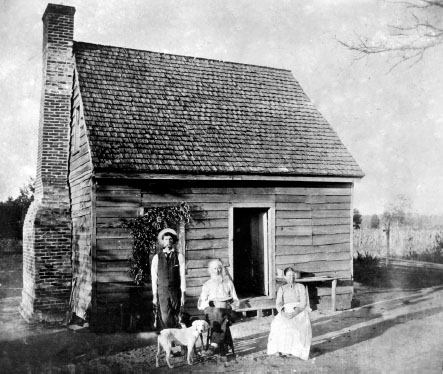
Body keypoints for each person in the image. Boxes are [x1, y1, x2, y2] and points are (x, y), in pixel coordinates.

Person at [267, 267, 312, 360]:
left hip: (299, 310)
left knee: (297, 324)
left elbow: (304, 302)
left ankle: (295, 351)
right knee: (277, 324)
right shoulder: (282, 288)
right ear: (285, 276)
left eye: (292, 275)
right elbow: (278, 303)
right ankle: (282, 349)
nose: (291, 278)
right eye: (288, 275)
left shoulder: (300, 286)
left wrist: (295, 312)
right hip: (286, 310)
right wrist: (283, 313)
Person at [198, 259, 239, 356]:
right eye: (214, 269)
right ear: (211, 271)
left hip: (226, 310)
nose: (217, 271)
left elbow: (236, 301)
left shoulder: (228, 283)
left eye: (219, 269)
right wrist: (210, 303)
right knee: (218, 313)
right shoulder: (207, 285)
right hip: (211, 312)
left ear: (222, 270)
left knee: (220, 313)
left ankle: (213, 346)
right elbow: (200, 303)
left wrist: (231, 305)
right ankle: (217, 345)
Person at [150, 228, 186, 328]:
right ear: (162, 241)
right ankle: (167, 339)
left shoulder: (179, 256)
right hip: (162, 291)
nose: (168, 241)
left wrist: (183, 294)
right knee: (165, 317)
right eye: (166, 239)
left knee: (176, 315)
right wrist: (154, 295)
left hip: (175, 291)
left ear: (173, 241)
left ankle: (175, 340)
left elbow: (182, 276)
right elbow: (154, 278)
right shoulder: (157, 258)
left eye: (170, 239)